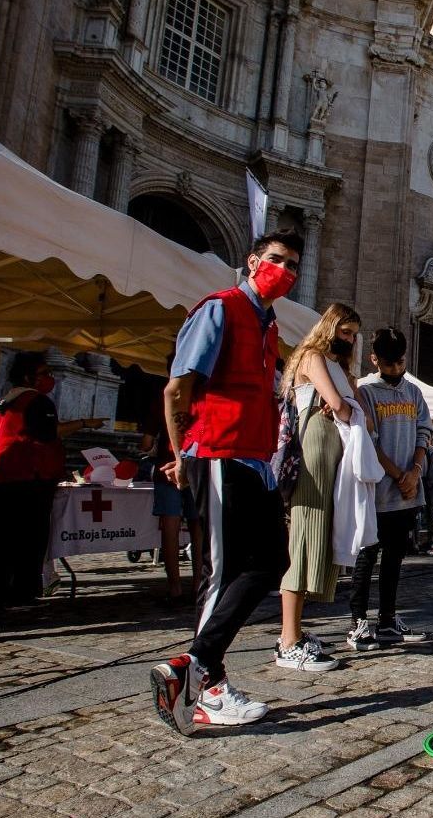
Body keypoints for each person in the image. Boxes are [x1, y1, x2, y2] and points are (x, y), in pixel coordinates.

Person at [149, 231, 303, 734]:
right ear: (254, 261)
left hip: (254, 461)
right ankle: (208, 688)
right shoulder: (221, 308)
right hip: (217, 452)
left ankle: (191, 666)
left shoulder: (269, 323)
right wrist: (180, 455)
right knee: (220, 570)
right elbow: (178, 388)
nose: (285, 270)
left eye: (293, 265)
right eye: (277, 260)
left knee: (273, 562)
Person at [273, 303, 364, 673]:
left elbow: (358, 412)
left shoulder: (339, 367)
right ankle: (287, 640)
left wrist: (347, 403)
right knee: (304, 537)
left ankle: (296, 633)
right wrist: (344, 405)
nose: (350, 340)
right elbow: (342, 407)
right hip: (314, 450)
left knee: (321, 535)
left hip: (333, 454)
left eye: (355, 335)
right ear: (329, 327)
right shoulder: (311, 356)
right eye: (345, 332)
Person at [0, 350, 102, 611]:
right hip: (29, 474)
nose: (49, 378)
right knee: (29, 536)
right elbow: (50, 432)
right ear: (28, 376)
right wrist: (84, 423)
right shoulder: (35, 401)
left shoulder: (7, 400)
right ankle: (22, 591)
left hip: (3, 473)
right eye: (44, 373)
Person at [348, 327, 433, 650]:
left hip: (406, 492)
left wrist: (414, 471)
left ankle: (387, 619)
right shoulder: (366, 391)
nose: (396, 369)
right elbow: (368, 440)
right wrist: (400, 475)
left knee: (395, 558)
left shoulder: (413, 393)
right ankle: (358, 621)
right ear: (375, 360)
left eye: (400, 362)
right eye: (390, 364)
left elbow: (425, 430)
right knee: (366, 556)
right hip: (377, 491)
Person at [142, 352, 204, 602]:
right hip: (197, 466)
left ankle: (174, 585)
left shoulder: (161, 399)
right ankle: (200, 583)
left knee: (170, 526)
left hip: (167, 467)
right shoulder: (200, 398)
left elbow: (146, 443)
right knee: (199, 527)